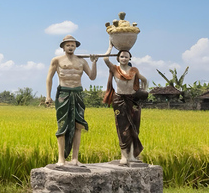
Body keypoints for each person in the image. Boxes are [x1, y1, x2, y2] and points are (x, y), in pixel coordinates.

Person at [45, 35, 98, 166]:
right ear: (63, 47)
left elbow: (92, 77)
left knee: (78, 125)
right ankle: (61, 158)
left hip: (77, 93)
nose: (70, 47)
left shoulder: (81, 61)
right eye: (67, 45)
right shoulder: (57, 60)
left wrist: (94, 62)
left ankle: (75, 158)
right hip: (63, 92)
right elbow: (49, 78)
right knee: (62, 125)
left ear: (76, 47)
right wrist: (48, 96)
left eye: (72, 45)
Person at [103, 43, 148, 165]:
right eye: (121, 56)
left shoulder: (134, 70)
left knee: (134, 127)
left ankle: (132, 155)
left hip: (132, 100)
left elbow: (144, 80)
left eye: (126, 57)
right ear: (118, 58)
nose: (124, 58)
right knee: (122, 128)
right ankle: (124, 156)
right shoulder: (115, 69)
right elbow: (105, 59)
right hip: (119, 100)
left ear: (129, 58)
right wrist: (110, 45)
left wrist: (143, 91)